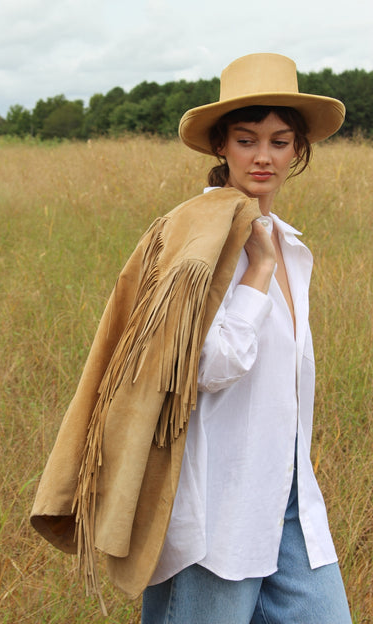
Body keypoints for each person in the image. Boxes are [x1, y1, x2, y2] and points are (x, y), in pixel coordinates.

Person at [30, 53, 351, 623]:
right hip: (216, 517)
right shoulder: (197, 238)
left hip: (290, 507)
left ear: (298, 151)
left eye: (280, 142)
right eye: (247, 139)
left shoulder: (289, 247)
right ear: (220, 147)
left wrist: (266, 257)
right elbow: (196, 370)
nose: (262, 156)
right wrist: (254, 273)